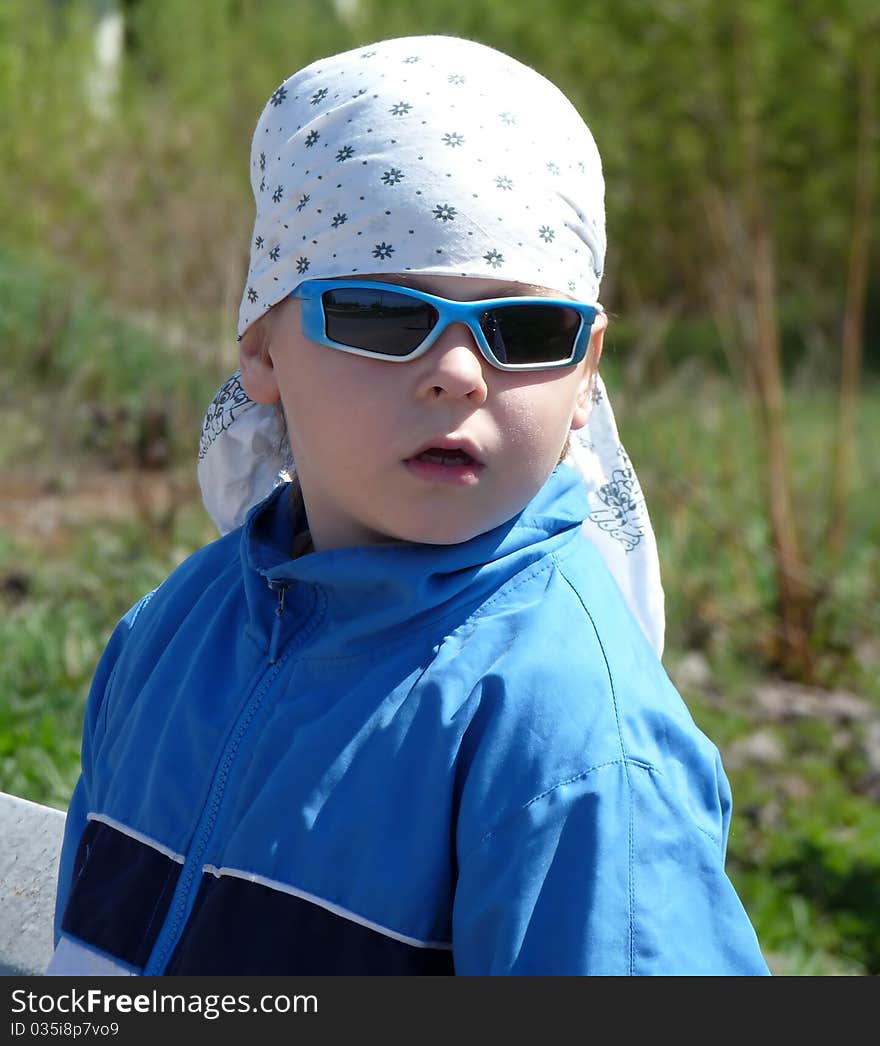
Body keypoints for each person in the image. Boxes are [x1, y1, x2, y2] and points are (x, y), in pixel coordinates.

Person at [48, 34, 770, 976]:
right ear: (264, 346)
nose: (461, 374)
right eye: (385, 313)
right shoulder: (172, 635)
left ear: (586, 373)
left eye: (526, 327)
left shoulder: (576, 742)